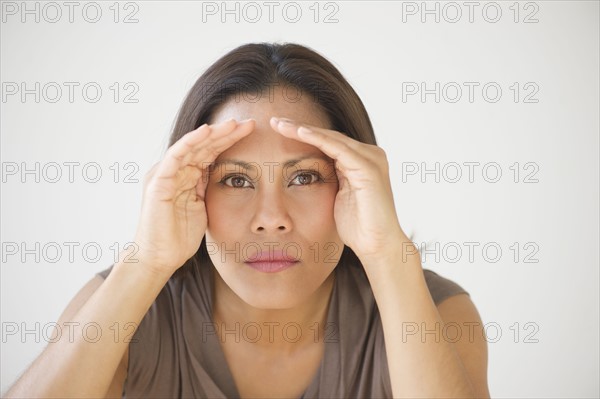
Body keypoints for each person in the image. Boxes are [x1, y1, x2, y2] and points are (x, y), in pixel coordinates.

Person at [5, 42, 490, 398]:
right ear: (193, 189)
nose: (271, 220)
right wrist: (146, 262)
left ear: (351, 184)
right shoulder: (123, 312)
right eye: (236, 181)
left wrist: (389, 256)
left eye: (304, 178)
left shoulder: (438, 314)